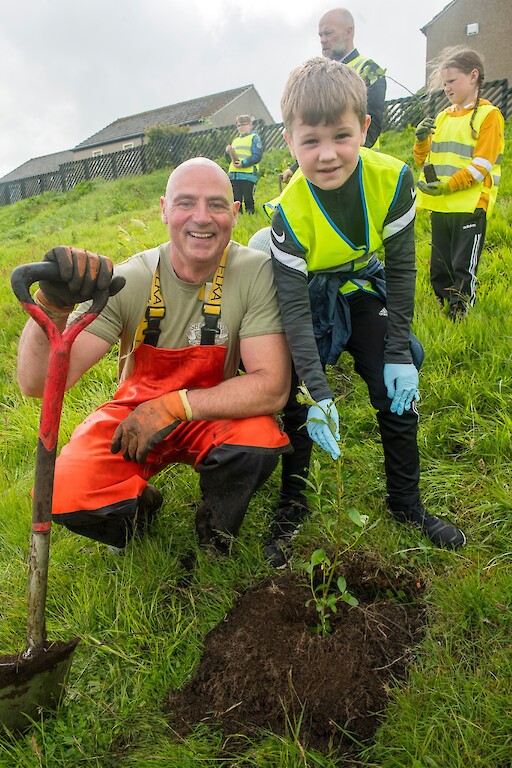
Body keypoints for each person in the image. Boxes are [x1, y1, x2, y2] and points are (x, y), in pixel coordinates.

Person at [16, 157, 291, 554]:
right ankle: (139, 513)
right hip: (133, 414)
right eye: (186, 203)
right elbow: (36, 383)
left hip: (211, 410)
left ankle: (215, 536)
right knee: (63, 491)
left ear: (234, 213)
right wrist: (53, 305)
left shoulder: (255, 273)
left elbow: (272, 387)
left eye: (216, 204)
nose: (202, 217)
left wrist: (173, 406)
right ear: (164, 209)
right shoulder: (130, 280)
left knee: (258, 438)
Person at [261, 57, 466, 566]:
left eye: (341, 136)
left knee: (395, 383)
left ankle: (406, 504)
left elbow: (402, 270)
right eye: (311, 141)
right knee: (295, 393)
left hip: (361, 284)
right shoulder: (288, 213)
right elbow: (293, 311)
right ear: (289, 141)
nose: (327, 154)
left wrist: (397, 351)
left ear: (365, 127)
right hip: (309, 295)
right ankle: (293, 503)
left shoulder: (392, 179)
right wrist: (318, 390)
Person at [414, 46, 505, 320]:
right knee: (440, 268)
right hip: (442, 206)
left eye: (452, 81)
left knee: (462, 266)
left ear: (473, 76)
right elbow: (424, 161)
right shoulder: (442, 117)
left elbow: (482, 166)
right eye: (444, 84)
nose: (447, 88)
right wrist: (420, 141)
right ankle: (444, 311)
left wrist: (449, 186)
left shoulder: (489, 116)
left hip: (470, 205)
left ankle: (461, 314)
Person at [280, 7, 387, 187]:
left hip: (360, 172)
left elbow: (373, 125)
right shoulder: (317, 75)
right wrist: (298, 166)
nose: (323, 40)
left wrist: (342, 162)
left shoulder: (369, 69)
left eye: (328, 33)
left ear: (348, 32)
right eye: (320, 35)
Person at [225, 115, 263, 214]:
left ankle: (250, 214)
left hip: (248, 174)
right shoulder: (235, 141)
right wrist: (228, 152)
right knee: (236, 199)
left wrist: (243, 164)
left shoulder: (254, 138)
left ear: (250, 125)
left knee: (248, 197)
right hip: (234, 174)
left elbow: (257, 156)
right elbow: (229, 160)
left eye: (244, 124)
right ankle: (238, 216)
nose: (241, 127)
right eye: (239, 125)